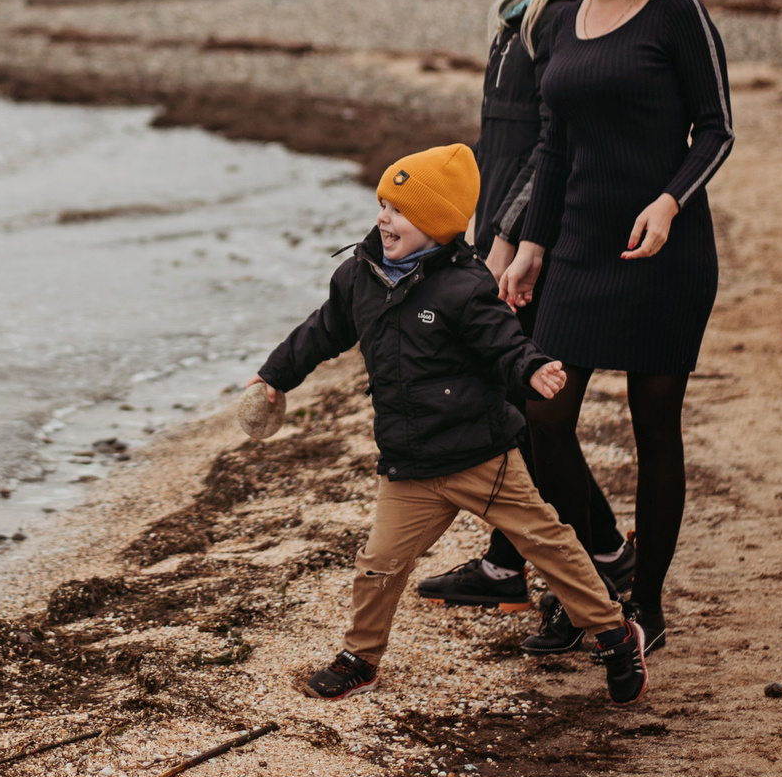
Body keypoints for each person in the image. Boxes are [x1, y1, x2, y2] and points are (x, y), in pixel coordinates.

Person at [240, 143, 647, 707]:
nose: (384, 217)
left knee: (548, 543)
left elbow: (504, 340)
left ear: (436, 223)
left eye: (400, 209)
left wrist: (531, 368)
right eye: (382, 204)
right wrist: (274, 375)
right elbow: (323, 330)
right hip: (409, 464)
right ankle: (361, 656)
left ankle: (614, 633)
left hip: (482, 457)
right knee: (379, 564)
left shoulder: (464, 286)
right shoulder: (358, 277)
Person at [500, 0, 733, 658]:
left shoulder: (676, 15)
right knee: (545, 417)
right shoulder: (564, 22)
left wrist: (669, 202)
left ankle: (650, 604)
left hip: (664, 255)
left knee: (654, 427)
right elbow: (556, 145)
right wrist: (531, 247)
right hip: (576, 250)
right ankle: (599, 572)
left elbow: (717, 130)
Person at [414, 0, 634, 615]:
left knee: (527, 403)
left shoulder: (559, 17)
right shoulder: (521, 13)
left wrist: (511, 237)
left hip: (538, 233)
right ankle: (510, 566)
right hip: (501, 222)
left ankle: (605, 550)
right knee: (513, 398)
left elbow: (552, 142)